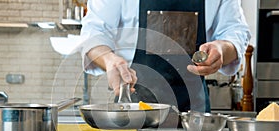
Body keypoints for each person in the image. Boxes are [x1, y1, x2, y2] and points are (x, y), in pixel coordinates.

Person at [78, 0, 251, 113]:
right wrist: (109, 59)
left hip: (193, 113)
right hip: (132, 110)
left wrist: (222, 49)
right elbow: (93, 33)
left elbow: (235, 31)